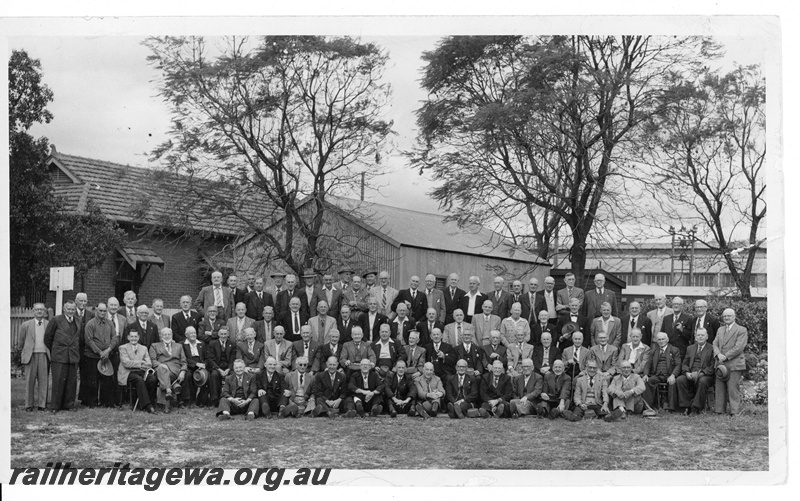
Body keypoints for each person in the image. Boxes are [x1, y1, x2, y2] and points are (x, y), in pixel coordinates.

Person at [44, 300, 81, 412]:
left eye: (73, 309)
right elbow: (47, 338)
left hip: (73, 356)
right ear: (64, 309)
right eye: (69, 309)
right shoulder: (56, 320)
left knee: (71, 382)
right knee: (58, 381)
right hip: (59, 356)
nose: (71, 311)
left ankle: (69, 404)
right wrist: (56, 350)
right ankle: (55, 406)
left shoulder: (78, 321)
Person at [713, 308, 748, 415]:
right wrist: (718, 354)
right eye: (725, 316)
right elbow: (715, 343)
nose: (727, 318)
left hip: (734, 363)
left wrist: (726, 356)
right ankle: (719, 410)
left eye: (729, 316)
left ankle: (735, 412)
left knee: (733, 388)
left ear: (734, 317)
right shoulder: (720, 330)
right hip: (720, 363)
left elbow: (739, 347)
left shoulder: (741, 330)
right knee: (720, 388)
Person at [83, 302, 118, 407]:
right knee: (92, 380)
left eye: (104, 311)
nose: (102, 313)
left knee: (106, 379)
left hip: (107, 356)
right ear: (96, 310)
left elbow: (114, 337)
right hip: (92, 356)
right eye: (100, 311)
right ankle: (92, 403)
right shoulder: (90, 323)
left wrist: (108, 350)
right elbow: (89, 340)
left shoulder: (110, 323)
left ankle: (106, 402)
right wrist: (99, 352)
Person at [676, 327, 715, 415]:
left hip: (705, 375)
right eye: (698, 335)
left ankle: (695, 407)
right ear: (695, 337)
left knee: (702, 381)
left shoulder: (712, 348)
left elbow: (712, 366)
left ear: (707, 337)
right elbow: (684, 364)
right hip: (691, 373)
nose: (700, 337)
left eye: (702, 335)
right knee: (680, 380)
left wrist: (701, 374)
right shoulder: (690, 348)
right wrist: (686, 373)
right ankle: (685, 406)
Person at [18, 303, 50, 411]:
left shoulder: (48, 324)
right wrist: (25, 352)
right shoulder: (26, 325)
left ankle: (42, 404)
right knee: (29, 381)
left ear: (45, 311)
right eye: (37, 310)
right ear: (33, 311)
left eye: (41, 309)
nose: (39, 311)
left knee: (43, 380)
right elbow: (21, 341)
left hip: (44, 355)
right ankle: (29, 405)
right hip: (31, 356)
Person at [117, 329, 157, 414]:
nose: (133, 338)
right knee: (139, 379)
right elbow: (126, 363)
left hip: (141, 371)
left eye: (135, 336)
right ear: (128, 337)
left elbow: (149, 363)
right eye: (131, 336)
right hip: (127, 373)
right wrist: (141, 363)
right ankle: (147, 406)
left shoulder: (143, 348)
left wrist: (136, 364)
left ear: (138, 337)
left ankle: (151, 402)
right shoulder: (123, 348)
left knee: (152, 378)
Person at [149, 327, 187, 413]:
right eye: (165, 334)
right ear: (161, 336)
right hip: (161, 368)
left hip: (175, 369)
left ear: (172, 335)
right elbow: (153, 360)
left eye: (169, 334)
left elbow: (184, 361)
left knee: (164, 374)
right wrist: (162, 365)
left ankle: (167, 396)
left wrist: (183, 372)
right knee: (163, 370)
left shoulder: (179, 346)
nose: (167, 336)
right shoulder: (154, 346)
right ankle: (170, 390)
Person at [642, 332, 681, 411]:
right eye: (659, 339)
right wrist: (645, 374)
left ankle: (671, 407)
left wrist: (673, 375)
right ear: (656, 341)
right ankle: (649, 406)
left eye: (663, 339)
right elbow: (648, 364)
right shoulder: (654, 351)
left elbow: (678, 365)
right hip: (657, 375)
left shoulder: (674, 350)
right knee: (649, 381)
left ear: (667, 340)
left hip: (669, 374)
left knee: (672, 382)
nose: (661, 341)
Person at [205, 328, 236, 407]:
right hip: (216, 367)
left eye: (225, 334)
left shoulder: (232, 344)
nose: (223, 336)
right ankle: (215, 399)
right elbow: (210, 359)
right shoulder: (212, 343)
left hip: (228, 367)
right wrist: (219, 370)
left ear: (228, 335)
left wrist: (228, 369)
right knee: (214, 375)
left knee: (233, 375)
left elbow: (233, 359)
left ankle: (232, 398)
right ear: (218, 334)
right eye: (221, 334)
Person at [182, 327, 209, 406]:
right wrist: (196, 364)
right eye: (191, 333)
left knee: (207, 376)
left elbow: (206, 357)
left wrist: (204, 364)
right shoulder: (182, 344)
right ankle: (188, 399)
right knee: (188, 375)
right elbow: (184, 358)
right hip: (189, 366)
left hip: (201, 366)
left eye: (194, 333)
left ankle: (201, 400)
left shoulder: (201, 343)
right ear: (186, 335)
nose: (193, 335)